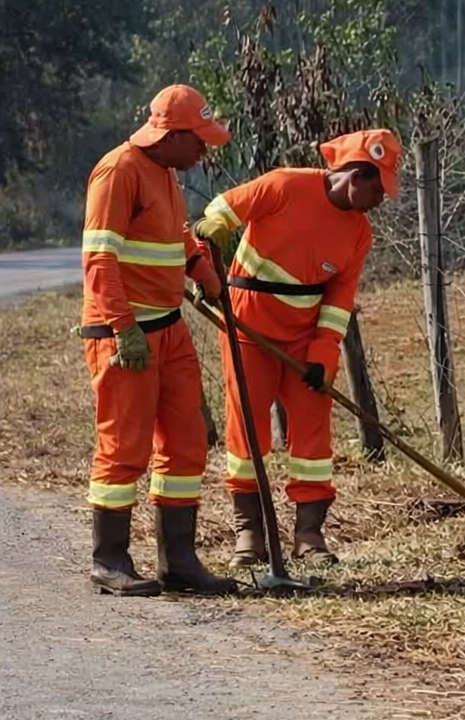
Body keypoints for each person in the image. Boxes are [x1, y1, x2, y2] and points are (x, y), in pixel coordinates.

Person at [192, 129, 400, 567]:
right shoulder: (285, 185)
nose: (381, 200)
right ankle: (249, 534)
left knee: (312, 434)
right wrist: (212, 231)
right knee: (247, 428)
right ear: (355, 175)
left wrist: (325, 353)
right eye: (378, 188)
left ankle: (309, 534)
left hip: (305, 338)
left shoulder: (360, 234)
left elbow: (340, 299)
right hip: (247, 325)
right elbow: (222, 210)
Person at [79, 84, 235, 596]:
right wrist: (124, 330)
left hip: (169, 329)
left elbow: (175, 238)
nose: (204, 150)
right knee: (124, 447)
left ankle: (180, 561)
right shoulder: (118, 171)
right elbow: (99, 262)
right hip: (126, 335)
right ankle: (110, 560)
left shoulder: (165, 173)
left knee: (187, 442)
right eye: (199, 140)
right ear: (172, 135)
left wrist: (204, 271)